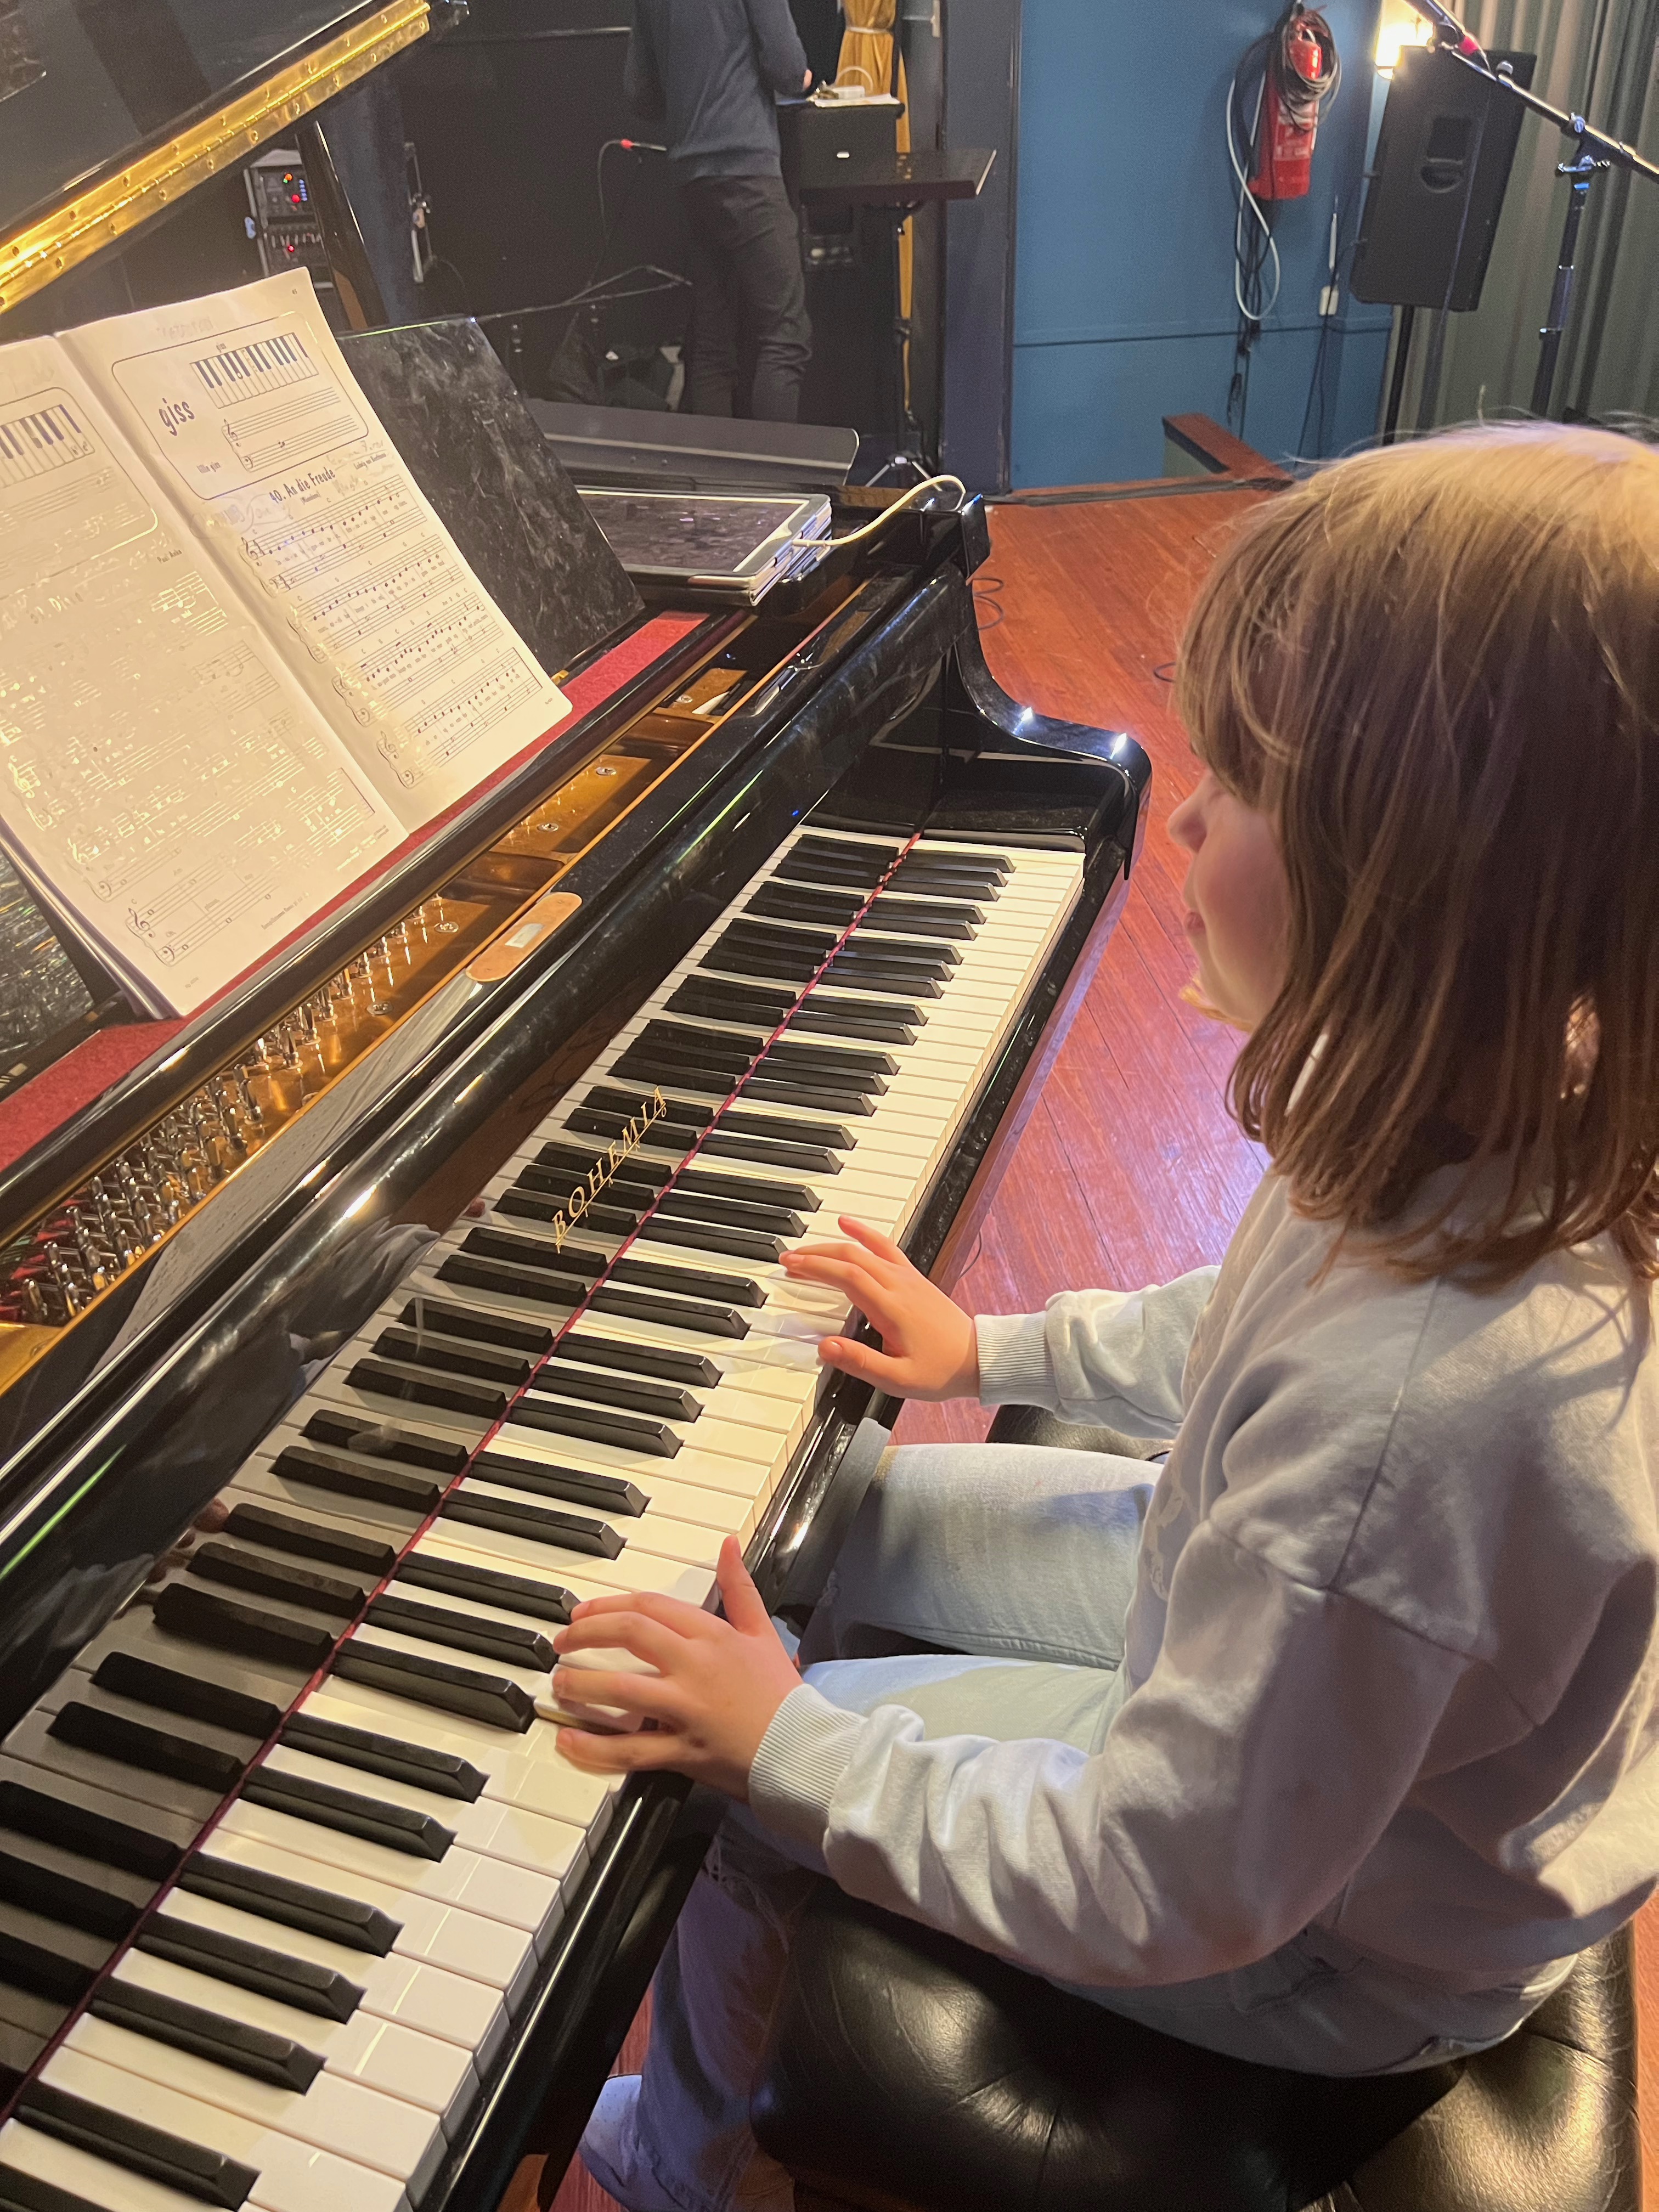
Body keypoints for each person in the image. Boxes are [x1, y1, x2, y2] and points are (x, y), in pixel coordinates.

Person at [550, 422, 1659, 2212]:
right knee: (817, 1512)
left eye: (1248, 780)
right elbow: (1249, 1315)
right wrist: (996, 1354)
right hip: (1253, 1650)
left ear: (1431, 893)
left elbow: (1168, 1881)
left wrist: (792, 1744)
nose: (1192, 813)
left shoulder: (1419, 1427)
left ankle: (674, 2168)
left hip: (1331, 1942)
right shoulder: (1487, 1105)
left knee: (740, 1785)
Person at [624, 0, 814, 422]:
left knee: (712, 345)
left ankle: (718, 467)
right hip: (747, 168)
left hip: (691, 177)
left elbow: (639, 93)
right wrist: (801, 78)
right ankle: (776, 468)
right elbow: (788, 68)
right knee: (786, 337)